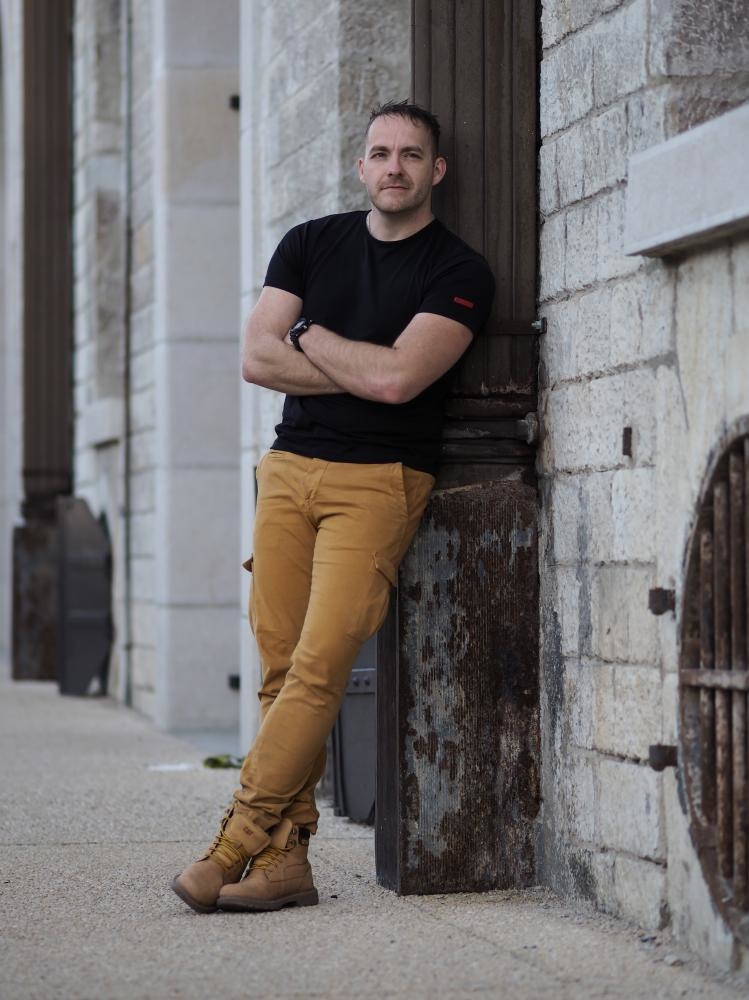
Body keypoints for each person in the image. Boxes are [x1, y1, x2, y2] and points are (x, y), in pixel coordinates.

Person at [171, 100, 495, 914]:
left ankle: (235, 840)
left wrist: (310, 336)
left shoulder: (458, 272)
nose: (394, 167)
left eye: (411, 155)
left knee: (319, 667)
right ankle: (288, 864)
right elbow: (256, 358)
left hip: (379, 480)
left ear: (435, 170)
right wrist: (355, 363)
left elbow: (398, 381)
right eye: (380, 153)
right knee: (280, 671)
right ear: (361, 166)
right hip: (288, 472)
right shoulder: (310, 242)